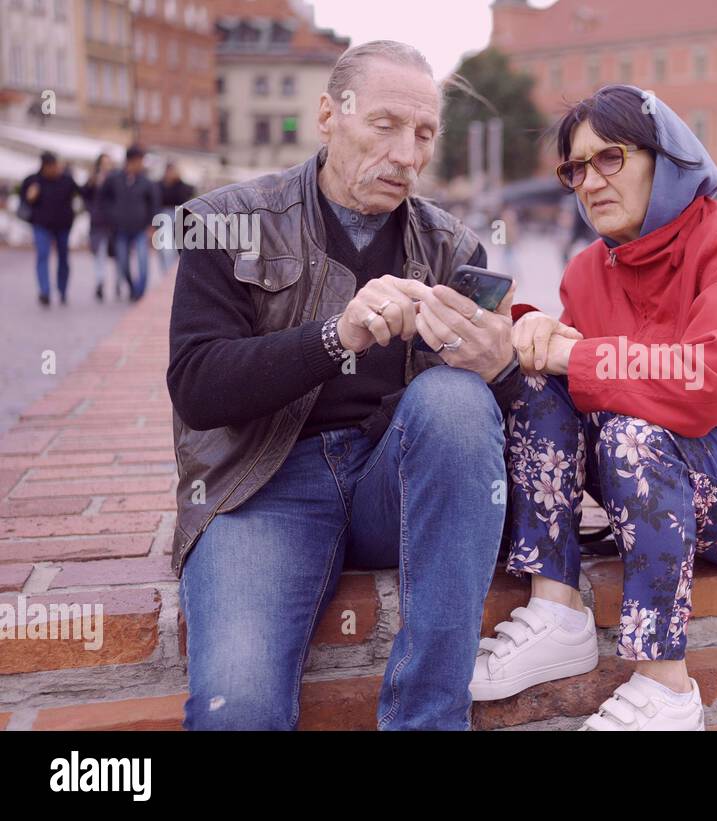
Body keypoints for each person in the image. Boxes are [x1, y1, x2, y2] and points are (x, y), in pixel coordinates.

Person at [167, 40, 524, 730]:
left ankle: (427, 720)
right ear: (328, 115)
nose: (407, 155)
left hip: (392, 482)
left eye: (423, 134)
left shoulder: (452, 245)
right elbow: (199, 388)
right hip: (260, 487)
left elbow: (476, 432)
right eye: (385, 125)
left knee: (455, 398)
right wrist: (339, 335)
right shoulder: (226, 223)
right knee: (236, 708)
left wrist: (499, 369)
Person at [471, 85, 717, 730]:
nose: (589, 182)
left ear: (666, 157)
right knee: (538, 384)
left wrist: (572, 355)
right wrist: (530, 334)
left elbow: (709, 380)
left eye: (609, 158)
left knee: (634, 427)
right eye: (575, 169)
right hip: (662, 483)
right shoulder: (587, 271)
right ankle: (557, 610)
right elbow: (588, 390)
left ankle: (665, 687)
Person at [19, 151, 81, 307]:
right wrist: (30, 197)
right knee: (42, 255)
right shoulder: (33, 181)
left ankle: (62, 290)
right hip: (41, 225)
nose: (55, 169)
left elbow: (83, 193)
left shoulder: (66, 180)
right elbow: (23, 201)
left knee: (63, 258)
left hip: (63, 226)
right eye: (52, 166)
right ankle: (45, 291)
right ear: (44, 167)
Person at [102, 145, 160, 301]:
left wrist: (152, 226)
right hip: (120, 229)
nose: (141, 164)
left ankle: (140, 292)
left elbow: (154, 204)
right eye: (140, 161)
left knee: (143, 262)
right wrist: (111, 216)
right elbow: (103, 198)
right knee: (123, 263)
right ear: (131, 161)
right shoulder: (115, 179)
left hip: (141, 229)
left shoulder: (146, 182)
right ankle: (132, 287)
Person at [81, 153, 122, 302]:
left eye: (108, 162)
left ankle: (119, 282)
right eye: (103, 163)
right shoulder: (93, 178)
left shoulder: (117, 178)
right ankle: (100, 281)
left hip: (114, 223)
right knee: (99, 253)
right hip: (98, 223)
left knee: (118, 255)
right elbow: (85, 195)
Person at [157, 162, 195, 274]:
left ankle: (171, 273)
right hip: (164, 217)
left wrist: (178, 181)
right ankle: (166, 272)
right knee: (166, 247)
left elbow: (184, 198)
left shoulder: (181, 186)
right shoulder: (160, 185)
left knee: (176, 248)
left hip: (179, 216)